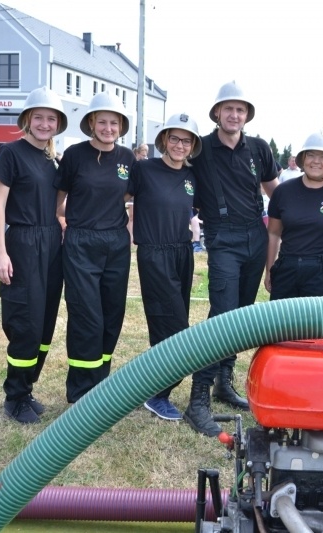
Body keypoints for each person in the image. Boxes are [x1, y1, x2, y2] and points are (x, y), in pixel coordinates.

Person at [184, 81, 278, 437]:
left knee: (241, 317)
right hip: (222, 238)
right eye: (229, 109)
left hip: (255, 234)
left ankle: (224, 382)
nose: (234, 115)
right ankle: (198, 400)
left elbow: (276, 196)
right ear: (217, 113)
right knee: (221, 317)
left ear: (246, 116)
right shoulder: (200, 148)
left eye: (241, 110)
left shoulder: (258, 148)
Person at [0, 87, 67, 424]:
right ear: (27, 120)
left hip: (52, 243)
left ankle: (28, 388)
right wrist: (1, 253)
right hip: (22, 242)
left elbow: (57, 205)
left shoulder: (53, 160)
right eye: (38, 117)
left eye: (51, 118)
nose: (44, 123)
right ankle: (14, 397)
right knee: (25, 322)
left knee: (45, 323)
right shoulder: (10, 153)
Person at [55, 91, 134, 404]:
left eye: (114, 122)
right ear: (91, 122)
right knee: (87, 316)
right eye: (102, 121)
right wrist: (60, 221)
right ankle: (80, 392)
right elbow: (58, 196)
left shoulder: (128, 159)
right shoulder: (75, 155)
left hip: (116, 244)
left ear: (121, 126)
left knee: (112, 314)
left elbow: (134, 196)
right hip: (81, 243)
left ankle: (101, 386)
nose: (108, 128)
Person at [128, 113, 201, 421]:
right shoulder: (144, 169)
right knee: (171, 326)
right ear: (163, 141)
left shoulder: (192, 176)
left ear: (193, 145)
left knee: (176, 320)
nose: (179, 145)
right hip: (154, 253)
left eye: (186, 140)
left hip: (183, 252)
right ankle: (157, 393)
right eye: (174, 138)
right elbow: (113, 196)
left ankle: (154, 386)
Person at [264, 131, 323, 300]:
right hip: (287, 268)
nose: (316, 161)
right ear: (302, 159)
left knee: (321, 325)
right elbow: (274, 232)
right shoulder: (284, 191)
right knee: (282, 324)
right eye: (311, 155)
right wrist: (269, 269)